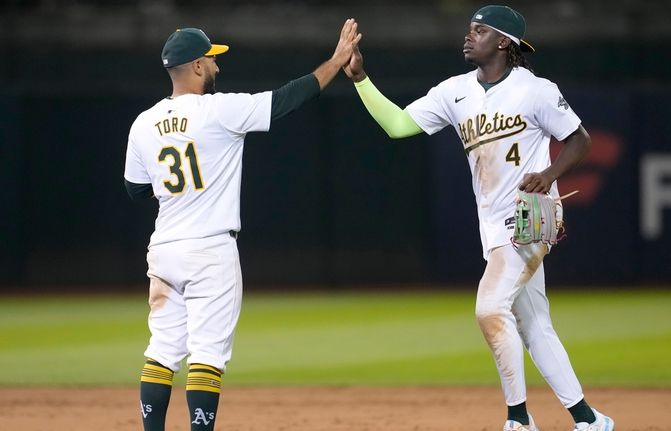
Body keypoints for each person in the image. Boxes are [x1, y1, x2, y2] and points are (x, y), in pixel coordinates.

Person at [343, 5, 613, 431]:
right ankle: (590, 419)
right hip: (492, 225)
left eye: (480, 30)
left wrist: (549, 174)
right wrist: (360, 79)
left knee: (489, 308)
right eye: (469, 29)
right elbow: (397, 125)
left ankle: (519, 420)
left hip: (528, 219)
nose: (468, 36)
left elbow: (579, 139)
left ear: (504, 42)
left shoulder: (536, 89)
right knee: (534, 324)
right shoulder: (454, 92)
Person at [123, 21, 361, 431]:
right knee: (207, 356)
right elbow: (288, 99)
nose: (217, 66)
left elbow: (136, 190)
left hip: (165, 248)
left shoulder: (143, 123)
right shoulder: (220, 110)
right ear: (197, 66)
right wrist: (336, 61)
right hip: (210, 249)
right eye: (212, 59)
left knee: (161, 351)